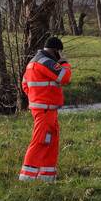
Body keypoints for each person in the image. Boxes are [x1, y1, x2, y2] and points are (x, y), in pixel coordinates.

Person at [19, 37, 72, 182]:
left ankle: (47, 176)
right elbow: (65, 77)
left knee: (50, 141)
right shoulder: (46, 62)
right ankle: (27, 177)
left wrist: (35, 98)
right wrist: (65, 63)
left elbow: (25, 85)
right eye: (60, 53)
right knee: (40, 140)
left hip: (46, 109)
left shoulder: (32, 62)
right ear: (56, 51)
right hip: (45, 110)